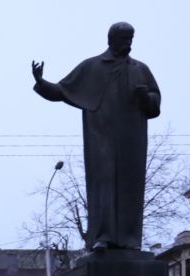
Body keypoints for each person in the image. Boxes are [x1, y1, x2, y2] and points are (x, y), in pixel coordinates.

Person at [32, 22, 160, 251]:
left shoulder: (140, 69)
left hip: (132, 138)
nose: (128, 44)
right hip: (102, 136)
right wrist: (41, 82)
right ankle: (104, 236)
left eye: (131, 39)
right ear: (111, 40)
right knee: (104, 184)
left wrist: (145, 96)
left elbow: (155, 103)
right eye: (124, 39)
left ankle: (129, 240)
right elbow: (62, 90)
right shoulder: (93, 67)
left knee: (131, 186)